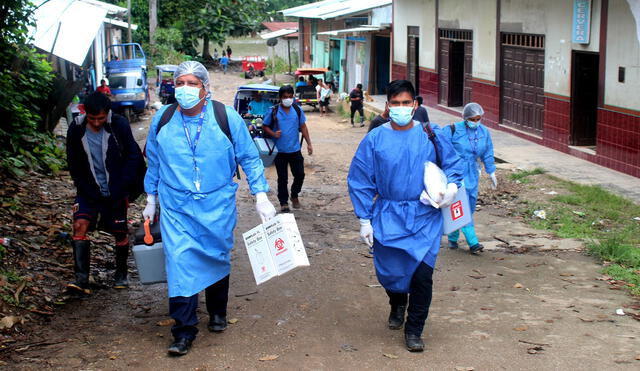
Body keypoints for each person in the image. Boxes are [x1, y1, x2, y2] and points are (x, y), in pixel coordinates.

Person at [143, 61, 276, 356]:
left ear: (205, 88)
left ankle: (217, 311)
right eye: (180, 83)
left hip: (217, 205)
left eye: (193, 83)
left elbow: (250, 158)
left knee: (216, 255)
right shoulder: (162, 120)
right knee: (179, 262)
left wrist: (261, 195)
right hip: (176, 205)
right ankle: (183, 330)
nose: (186, 89)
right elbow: (154, 160)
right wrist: (150, 198)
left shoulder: (225, 117)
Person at [348, 80, 463, 352]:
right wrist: (364, 219)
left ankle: (414, 329)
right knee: (391, 273)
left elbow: (454, 165)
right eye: (395, 103)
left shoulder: (430, 133)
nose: (401, 108)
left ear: (415, 105)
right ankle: (397, 302)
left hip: (424, 216)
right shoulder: (375, 139)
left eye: (406, 103)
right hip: (387, 215)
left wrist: (452, 187)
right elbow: (360, 179)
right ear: (387, 106)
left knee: (422, 276)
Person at [66, 92, 145, 294]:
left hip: (116, 189)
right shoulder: (76, 128)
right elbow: (73, 162)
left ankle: (121, 274)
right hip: (88, 189)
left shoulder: (119, 125)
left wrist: (123, 187)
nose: (96, 122)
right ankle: (81, 279)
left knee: (119, 232)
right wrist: (84, 187)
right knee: (79, 225)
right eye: (92, 119)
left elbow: (133, 157)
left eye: (100, 118)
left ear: (107, 114)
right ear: (85, 113)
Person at [446, 102, 497, 254]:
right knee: (462, 206)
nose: (475, 122)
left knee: (470, 204)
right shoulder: (452, 130)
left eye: (478, 119)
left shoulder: (484, 132)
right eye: (472, 119)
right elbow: (441, 148)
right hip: (456, 172)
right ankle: (473, 243)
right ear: (465, 117)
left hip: (473, 172)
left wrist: (491, 171)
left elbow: (488, 151)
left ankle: (453, 236)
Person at [263, 85, 313, 212]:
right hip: (279, 151)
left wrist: (309, 143)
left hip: (295, 150)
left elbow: (303, 127)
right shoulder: (273, 110)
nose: (288, 99)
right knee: (282, 178)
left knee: (300, 175)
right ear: (280, 98)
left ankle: (294, 195)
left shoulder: (297, 109)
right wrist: (274, 134)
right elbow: (265, 126)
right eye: (285, 97)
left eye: (290, 97)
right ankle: (283, 202)